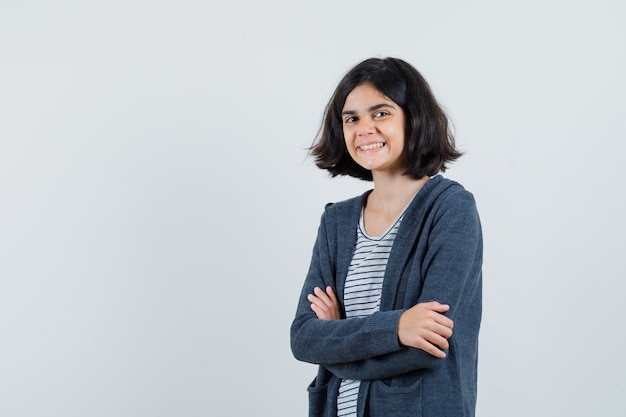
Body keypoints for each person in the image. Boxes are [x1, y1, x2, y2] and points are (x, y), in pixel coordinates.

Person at [290, 57, 483, 417]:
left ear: (414, 117)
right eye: (352, 118)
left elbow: (425, 345)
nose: (364, 129)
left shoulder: (450, 210)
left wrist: (338, 339)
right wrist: (397, 327)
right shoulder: (337, 222)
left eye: (381, 113)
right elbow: (303, 338)